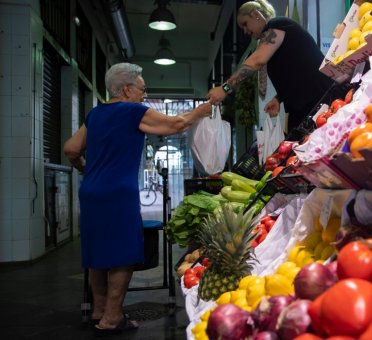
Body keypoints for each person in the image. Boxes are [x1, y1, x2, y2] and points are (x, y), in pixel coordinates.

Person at [63, 63, 211, 335]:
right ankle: (112, 318)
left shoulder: (95, 114)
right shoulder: (132, 111)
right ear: (127, 89)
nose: (145, 94)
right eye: (143, 89)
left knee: (98, 253)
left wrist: (86, 169)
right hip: (118, 192)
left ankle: (99, 310)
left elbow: (71, 148)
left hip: (91, 191)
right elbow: (175, 125)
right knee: (122, 254)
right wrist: (202, 110)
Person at [206, 0, 343, 138]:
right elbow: (297, 71)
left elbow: (257, 60)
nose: (245, 31)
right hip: (307, 106)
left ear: (256, 14)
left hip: (321, 100)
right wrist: (279, 98)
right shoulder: (275, 35)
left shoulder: (276, 25)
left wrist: (225, 89)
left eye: (245, 24)